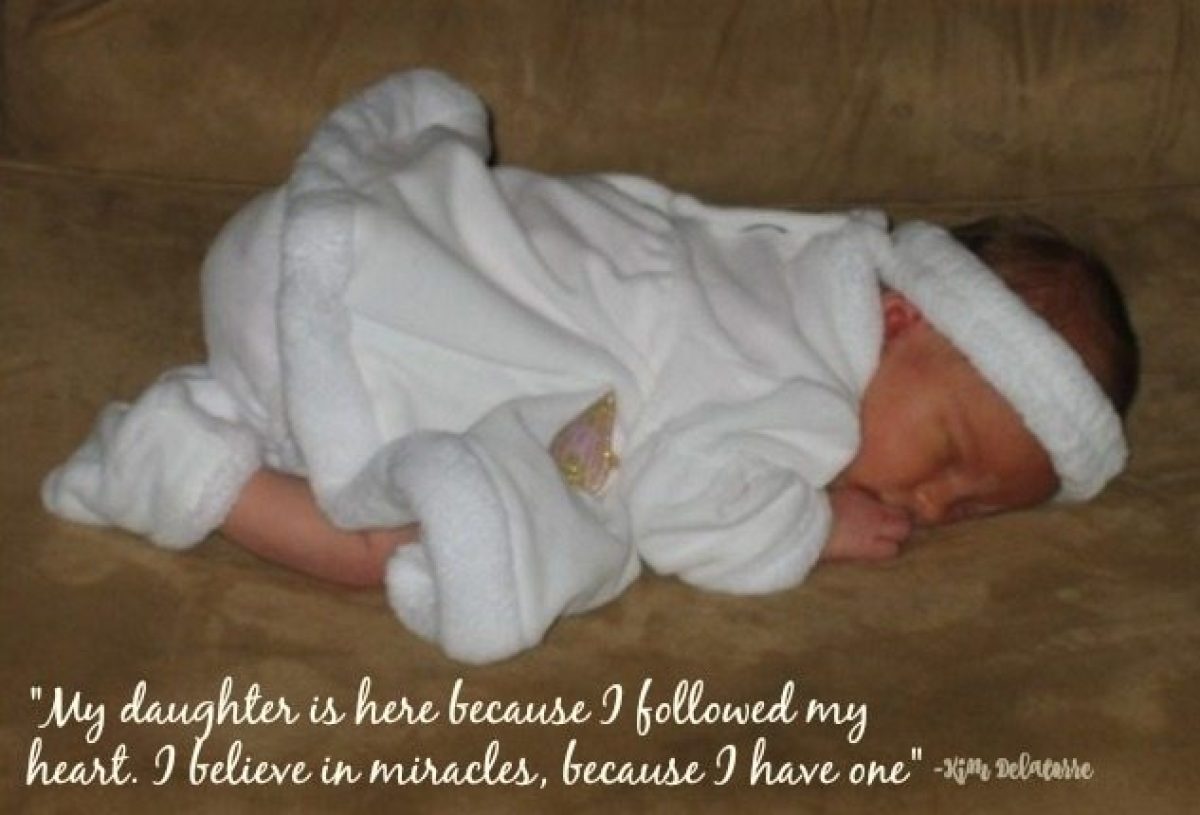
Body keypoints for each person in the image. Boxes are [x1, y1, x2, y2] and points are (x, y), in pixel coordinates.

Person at [41, 70, 1138, 662]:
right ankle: (191, 464)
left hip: (309, 238)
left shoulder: (786, 258)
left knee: (549, 464)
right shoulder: (807, 394)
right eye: (947, 450)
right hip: (351, 315)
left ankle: (236, 408)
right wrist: (811, 526)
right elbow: (679, 505)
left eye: (968, 505)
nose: (931, 500)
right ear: (901, 314)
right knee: (444, 537)